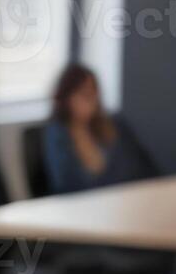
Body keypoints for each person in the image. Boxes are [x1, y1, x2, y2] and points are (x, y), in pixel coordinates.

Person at [42, 64, 157, 195]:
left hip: (127, 198)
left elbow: (139, 169)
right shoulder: (58, 134)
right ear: (67, 97)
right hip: (85, 206)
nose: (92, 100)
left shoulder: (113, 124)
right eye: (84, 93)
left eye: (94, 92)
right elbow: (67, 185)